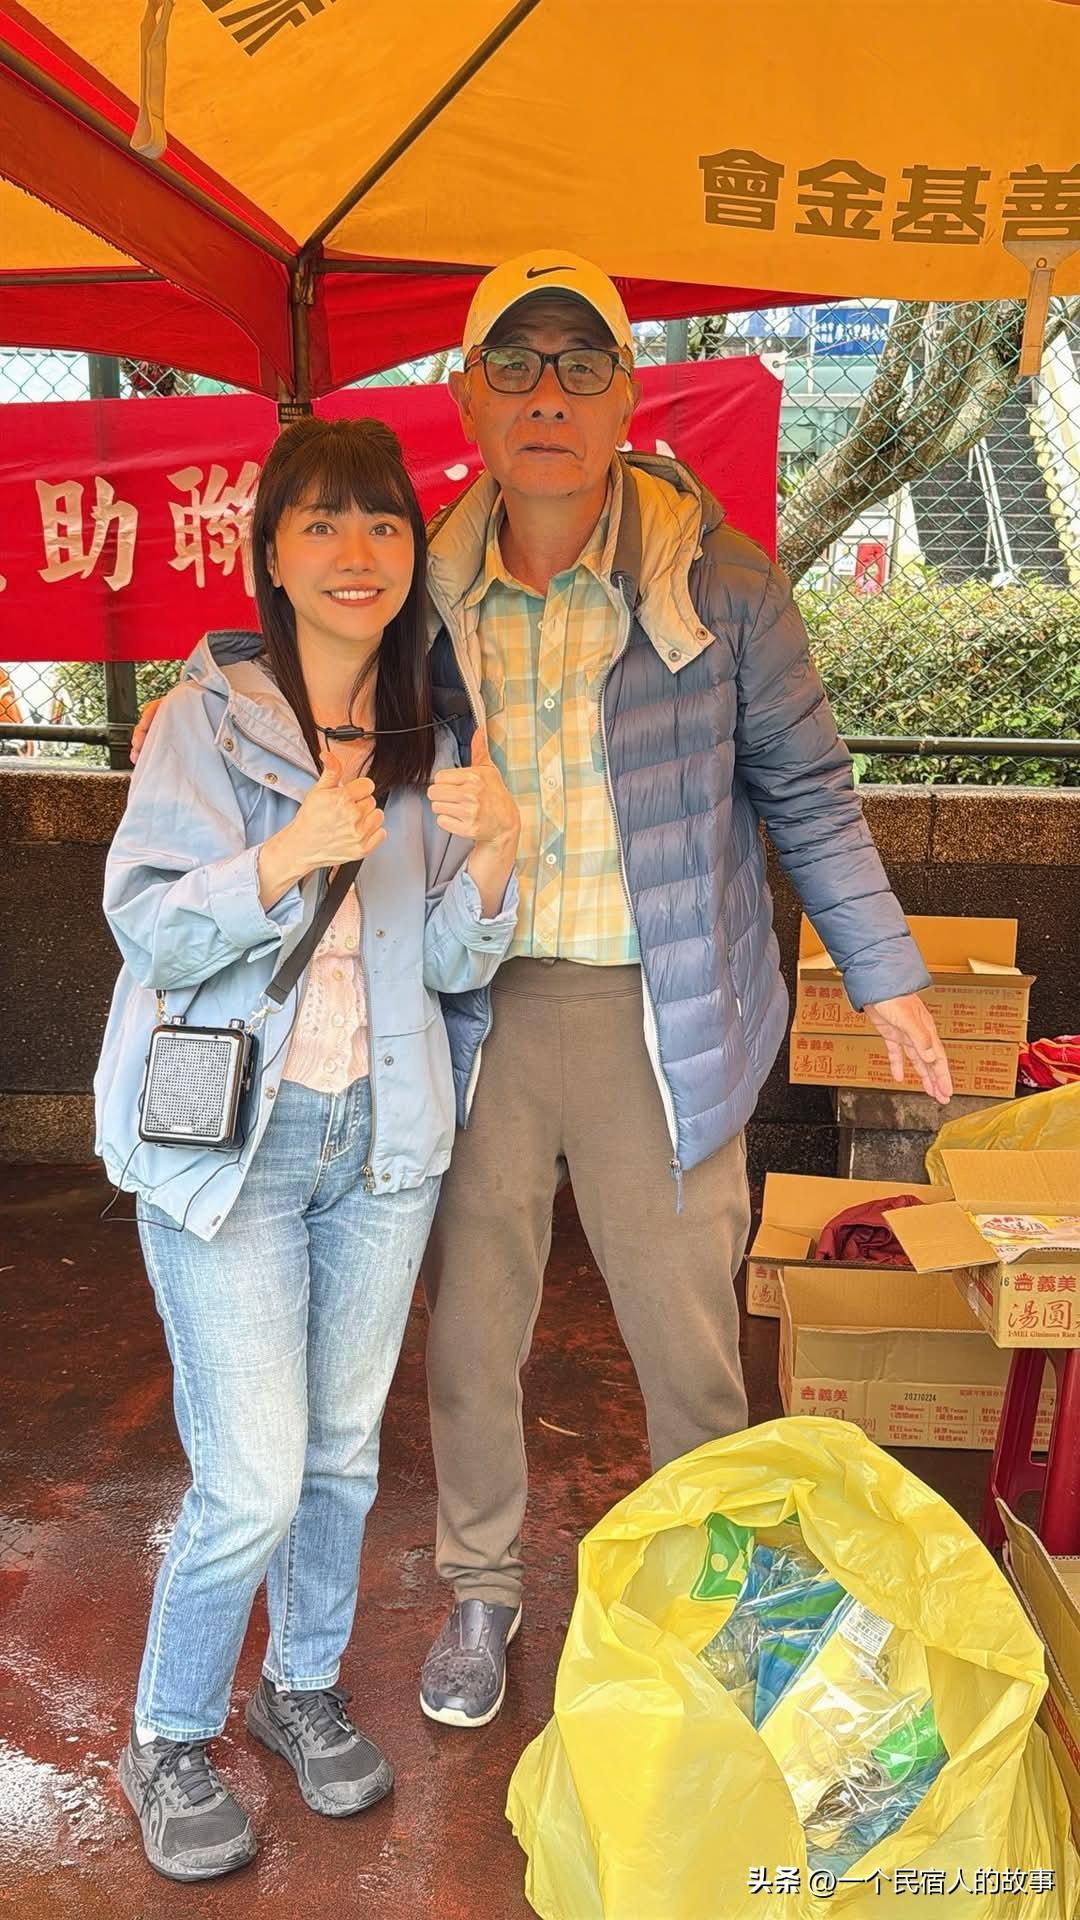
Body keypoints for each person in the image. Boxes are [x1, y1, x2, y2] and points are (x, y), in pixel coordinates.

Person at [133, 251, 952, 1737]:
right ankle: (481, 1588)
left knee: (687, 1332)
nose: (548, 396)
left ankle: (730, 1598)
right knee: (472, 1328)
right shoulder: (427, 587)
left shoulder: (724, 585)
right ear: (467, 399)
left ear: (630, 396)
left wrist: (884, 971)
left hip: (665, 1011)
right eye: (513, 366)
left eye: (582, 364)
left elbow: (811, 794)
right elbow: (304, 646)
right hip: (468, 1009)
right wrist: (192, 703)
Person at [97, 416, 519, 1881]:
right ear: (271, 553)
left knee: (342, 1451)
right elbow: (149, 924)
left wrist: (498, 853)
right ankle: (167, 1734)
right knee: (253, 1476)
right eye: (323, 524)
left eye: (386, 525)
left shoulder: (433, 740)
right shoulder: (201, 722)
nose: (358, 553)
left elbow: (452, 969)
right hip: (236, 1144)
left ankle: (300, 1687)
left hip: (383, 1141)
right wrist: (283, 856)